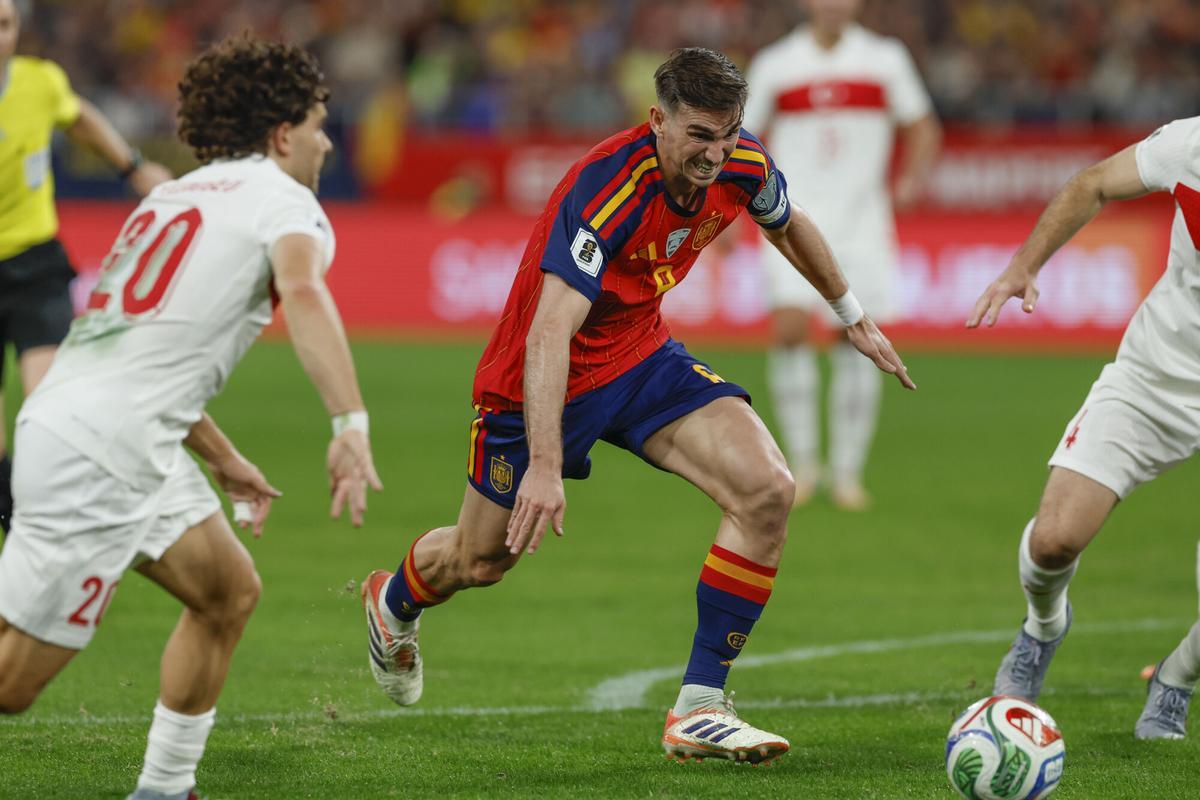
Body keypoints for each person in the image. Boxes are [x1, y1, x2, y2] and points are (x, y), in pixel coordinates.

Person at [359, 47, 913, 765]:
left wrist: (851, 314)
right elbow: (550, 331)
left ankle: (701, 706)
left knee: (766, 489)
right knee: (480, 560)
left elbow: (787, 221)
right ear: (657, 121)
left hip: (641, 354)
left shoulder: (740, 160)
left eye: (728, 133)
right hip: (536, 380)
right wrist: (547, 465)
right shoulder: (608, 190)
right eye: (699, 136)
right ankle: (394, 601)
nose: (716, 153)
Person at [0, 34, 383, 800]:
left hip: (101, 428)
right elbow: (304, 294)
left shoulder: (173, 196)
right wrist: (349, 423)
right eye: (316, 123)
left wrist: (219, 456)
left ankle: (165, 788)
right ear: (281, 135)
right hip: (100, 458)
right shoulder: (286, 204)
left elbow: (129, 357)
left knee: (226, 592)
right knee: (11, 685)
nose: (325, 140)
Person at [968, 117, 1200, 740]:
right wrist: (1024, 263)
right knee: (1054, 541)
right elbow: (1095, 183)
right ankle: (1042, 629)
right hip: (1156, 377)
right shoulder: (1191, 145)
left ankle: (1175, 678)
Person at [742, 0, 940, 509]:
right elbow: (743, 137)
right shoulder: (776, 63)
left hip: (863, 223)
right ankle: (802, 464)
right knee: (789, 331)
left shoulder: (885, 58)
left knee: (853, 340)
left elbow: (923, 126)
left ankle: (847, 472)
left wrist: (913, 177)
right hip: (789, 219)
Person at [0, 0, 173, 533]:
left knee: (48, 415)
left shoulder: (40, 81)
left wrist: (134, 168)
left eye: (4, 25)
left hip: (33, 265)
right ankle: (23, 554)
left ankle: (43, 545)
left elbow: (81, 119)